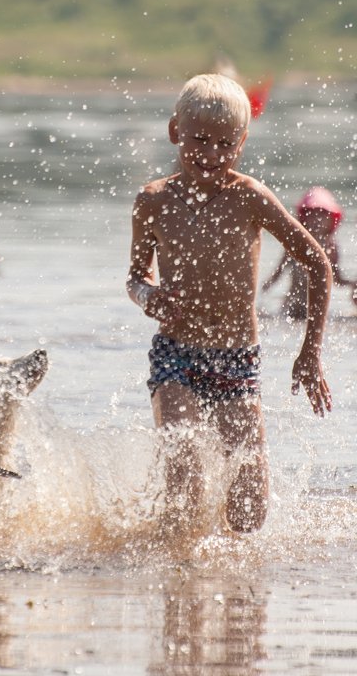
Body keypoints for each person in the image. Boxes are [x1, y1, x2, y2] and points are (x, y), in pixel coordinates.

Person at [126, 73, 332, 534]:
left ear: (241, 142)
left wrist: (310, 351)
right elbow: (136, 278)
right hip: (176, 356)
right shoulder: (153, 201)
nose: (212, 156)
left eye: (225, 144)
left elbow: (316, 263)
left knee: (248, 510)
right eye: (200, 140)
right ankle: (175, 577)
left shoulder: (249, 197)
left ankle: (235, 589)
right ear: (175, 131)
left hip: (237, 361)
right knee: (185, 477)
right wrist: (149, 297)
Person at [262, 186, 357, 319]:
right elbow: (278, 272)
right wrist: (263, 289)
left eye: (322, 214)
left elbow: (337, 280)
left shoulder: (331, 247)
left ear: (331, 219)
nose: (316, 218)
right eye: (311, 213)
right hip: (292, 307)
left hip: (317, 310)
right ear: (303, 218)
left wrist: (352, 283)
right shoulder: (295, 243)